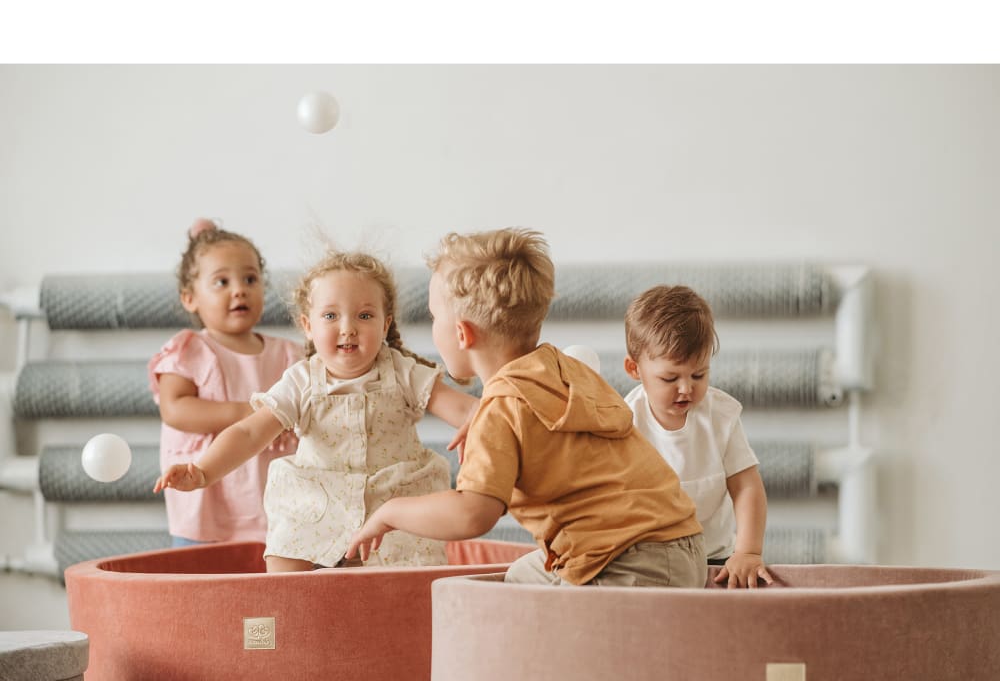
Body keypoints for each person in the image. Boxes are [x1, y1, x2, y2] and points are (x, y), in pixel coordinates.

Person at [346, 227, 706, 589]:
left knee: (530, 628)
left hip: (625, 564)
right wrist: (489, 418)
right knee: (517, 578)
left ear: (462, 334)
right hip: (684, 544)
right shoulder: (564, 369)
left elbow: (473, 514)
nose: (433, 328)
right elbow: (552, 433)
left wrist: (392, 511)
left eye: (434, 317)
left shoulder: (502, 410)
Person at [155, 248, 479, 572]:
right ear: (308, 326)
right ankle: (288, 616)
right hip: (319, 505)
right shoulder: (301, 381)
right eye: (331, 316)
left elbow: (466, 410)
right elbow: (250, 432)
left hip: (392, 502)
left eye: (365, 315)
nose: (348, 328)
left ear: (385, 325)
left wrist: (482, 420)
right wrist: (202, 471)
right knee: (285, 550)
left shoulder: (404, 373)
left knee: (406, 574)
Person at [149, 218, 302, 548]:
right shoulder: (190, 350)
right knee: (202, 585)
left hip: (273, 502)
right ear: (190, 298)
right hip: (208, 503)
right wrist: (248, 412)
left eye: (250, 278)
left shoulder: (289, 355)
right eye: (221, 282)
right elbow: (175, 409)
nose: (239, 290)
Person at [623, 284, 772, 588]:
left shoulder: (720, 417)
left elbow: (746, 487)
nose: (686, 388)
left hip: (713, 559)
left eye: (699, 375)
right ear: (634, 369)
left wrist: (748, 551)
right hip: (648, 560)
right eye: (670, 378)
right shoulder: (625, 420)